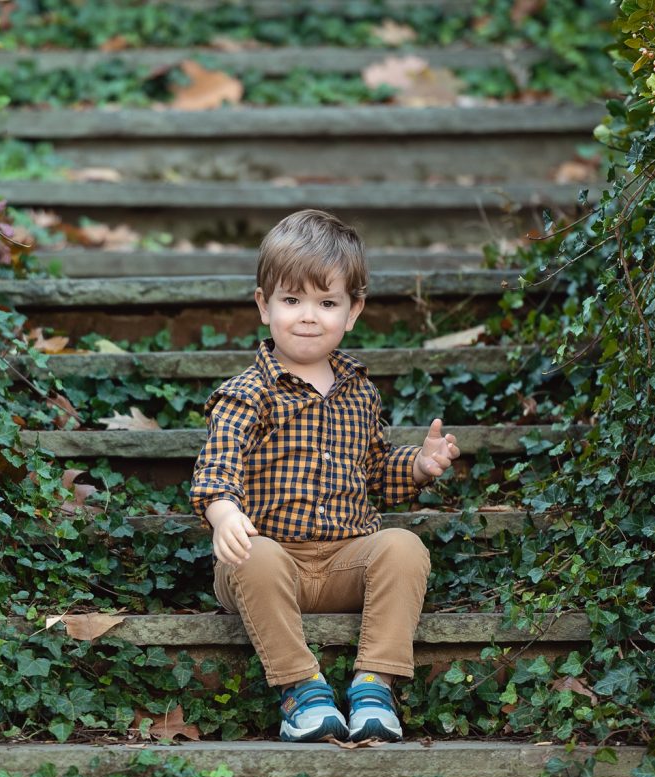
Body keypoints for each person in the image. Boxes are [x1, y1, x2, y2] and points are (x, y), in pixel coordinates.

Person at [190, 209, 461, 743]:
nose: (308, 316)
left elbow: (378, 471)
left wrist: (422, 466)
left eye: (327, 302)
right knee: (256, 556)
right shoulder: (247, 394)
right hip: (266, 565)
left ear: (353, 311)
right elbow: (216, 467)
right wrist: (224, 516)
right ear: (264, 305)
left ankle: (374, 686)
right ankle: (302, 689)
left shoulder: (360, 392)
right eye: (291, 301)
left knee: (403, 546)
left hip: (344, 562)